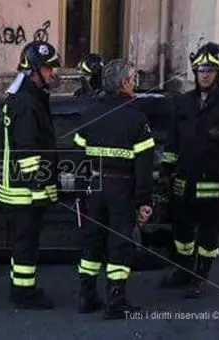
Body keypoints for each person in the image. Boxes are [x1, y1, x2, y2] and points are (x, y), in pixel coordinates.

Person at [159, 42, 219, 298]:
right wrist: (166, 171)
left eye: (210, 69)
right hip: (183, 182)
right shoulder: (183, 103)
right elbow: (172, 140)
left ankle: (200, 276)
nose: (204, 74)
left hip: (214, 185)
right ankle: (183, 271)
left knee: (208, 236)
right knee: (182, 233)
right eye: (200, 69)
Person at [73, 59, 155, 319]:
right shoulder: (137, 118)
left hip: (94, 187)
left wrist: (80, 187)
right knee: (119, 244)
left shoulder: (89, 113)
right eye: (133, 80)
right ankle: (116, 302)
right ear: (124, 83)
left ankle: (86, 297)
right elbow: (144, 165)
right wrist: (144, 200)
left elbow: (77, 154)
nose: (135, 85)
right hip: (121, 187)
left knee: (92, 242)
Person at [0, 41, 61, 309]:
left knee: (26, 241)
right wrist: (37, 188)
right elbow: (27, 149)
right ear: (34, 69)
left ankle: (23, 288)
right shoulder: (25, 101)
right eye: (48, 67)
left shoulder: (28, 95)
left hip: (25, 186)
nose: (53, 73)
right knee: (26, 242)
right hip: (25, 189)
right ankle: (23, 294)